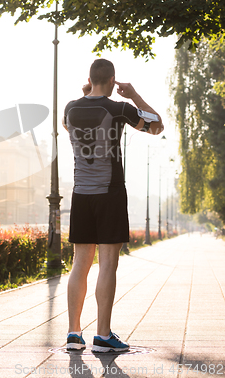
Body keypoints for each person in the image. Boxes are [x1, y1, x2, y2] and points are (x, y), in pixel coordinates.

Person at [62, 58, 164, 352]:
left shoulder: (70, 108)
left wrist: (90, 94)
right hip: (110, 194)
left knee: (79, 263)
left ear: (91, 78)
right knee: (108, 263)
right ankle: (103, 336)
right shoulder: (119, 109)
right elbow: (157, 126)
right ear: (113, 79)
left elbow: (72, 126)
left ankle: (73, 333)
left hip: (81, 193)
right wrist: (132, 96)